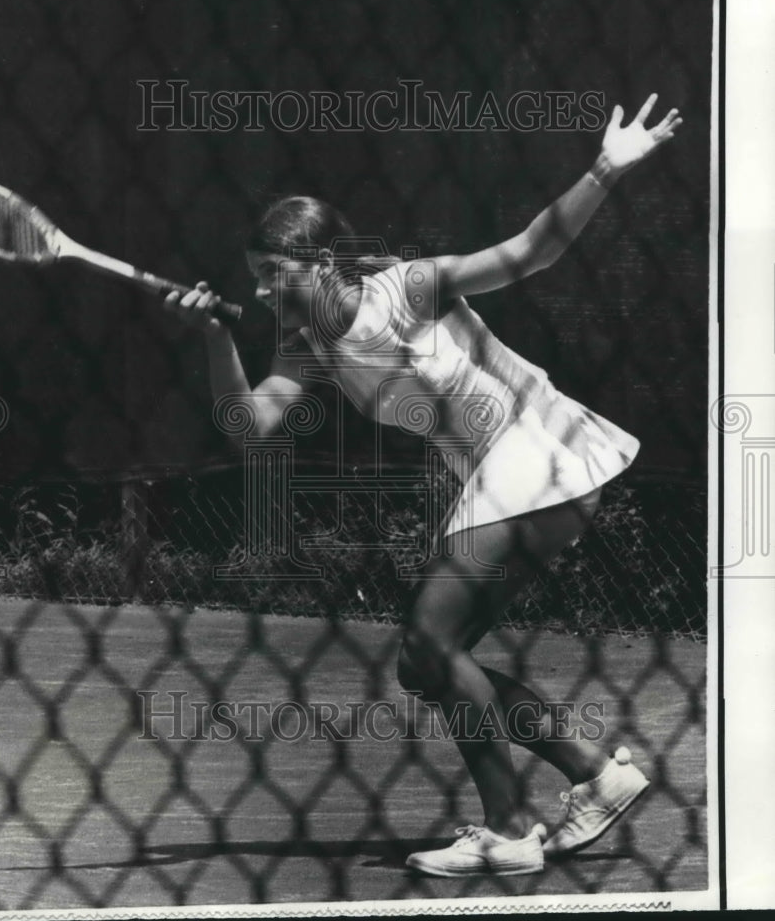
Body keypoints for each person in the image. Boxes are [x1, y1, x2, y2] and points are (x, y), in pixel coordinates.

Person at [164, 94, 682, 877]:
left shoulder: (405, 289)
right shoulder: (307, 347)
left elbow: (528, 252)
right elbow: (248, 426)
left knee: (431, 642)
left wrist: (605, 169)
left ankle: (509, 830)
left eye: (276, 276)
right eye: (257, 280)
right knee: (427, 664)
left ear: (324, 264)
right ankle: (596, 772)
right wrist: (214, 339)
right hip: (511, 475)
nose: (266, 292)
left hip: (540, 451)